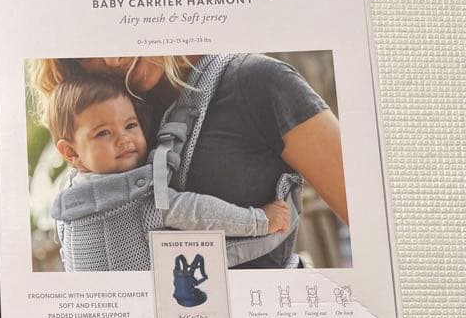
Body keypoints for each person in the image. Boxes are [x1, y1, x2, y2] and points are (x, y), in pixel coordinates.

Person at [32, 54, 347, 268]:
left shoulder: (257, 82)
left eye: (118, 30)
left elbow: (366, 214)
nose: (113, 59)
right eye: (91, 50)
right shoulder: (102, 119)